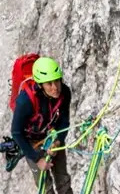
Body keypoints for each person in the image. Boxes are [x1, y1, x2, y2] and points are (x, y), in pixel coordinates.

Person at [5, 56, 71, 190]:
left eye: (57, 81)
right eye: (49, 83)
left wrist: (58, 141)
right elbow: (16, 132)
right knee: (45, 187)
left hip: (51, 136)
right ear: (40, 85)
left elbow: (64, 121)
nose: (55, 88)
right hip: (31, 142)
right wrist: (37, 159)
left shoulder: (65, 92)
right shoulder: (25, 101)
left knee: (63, 181)